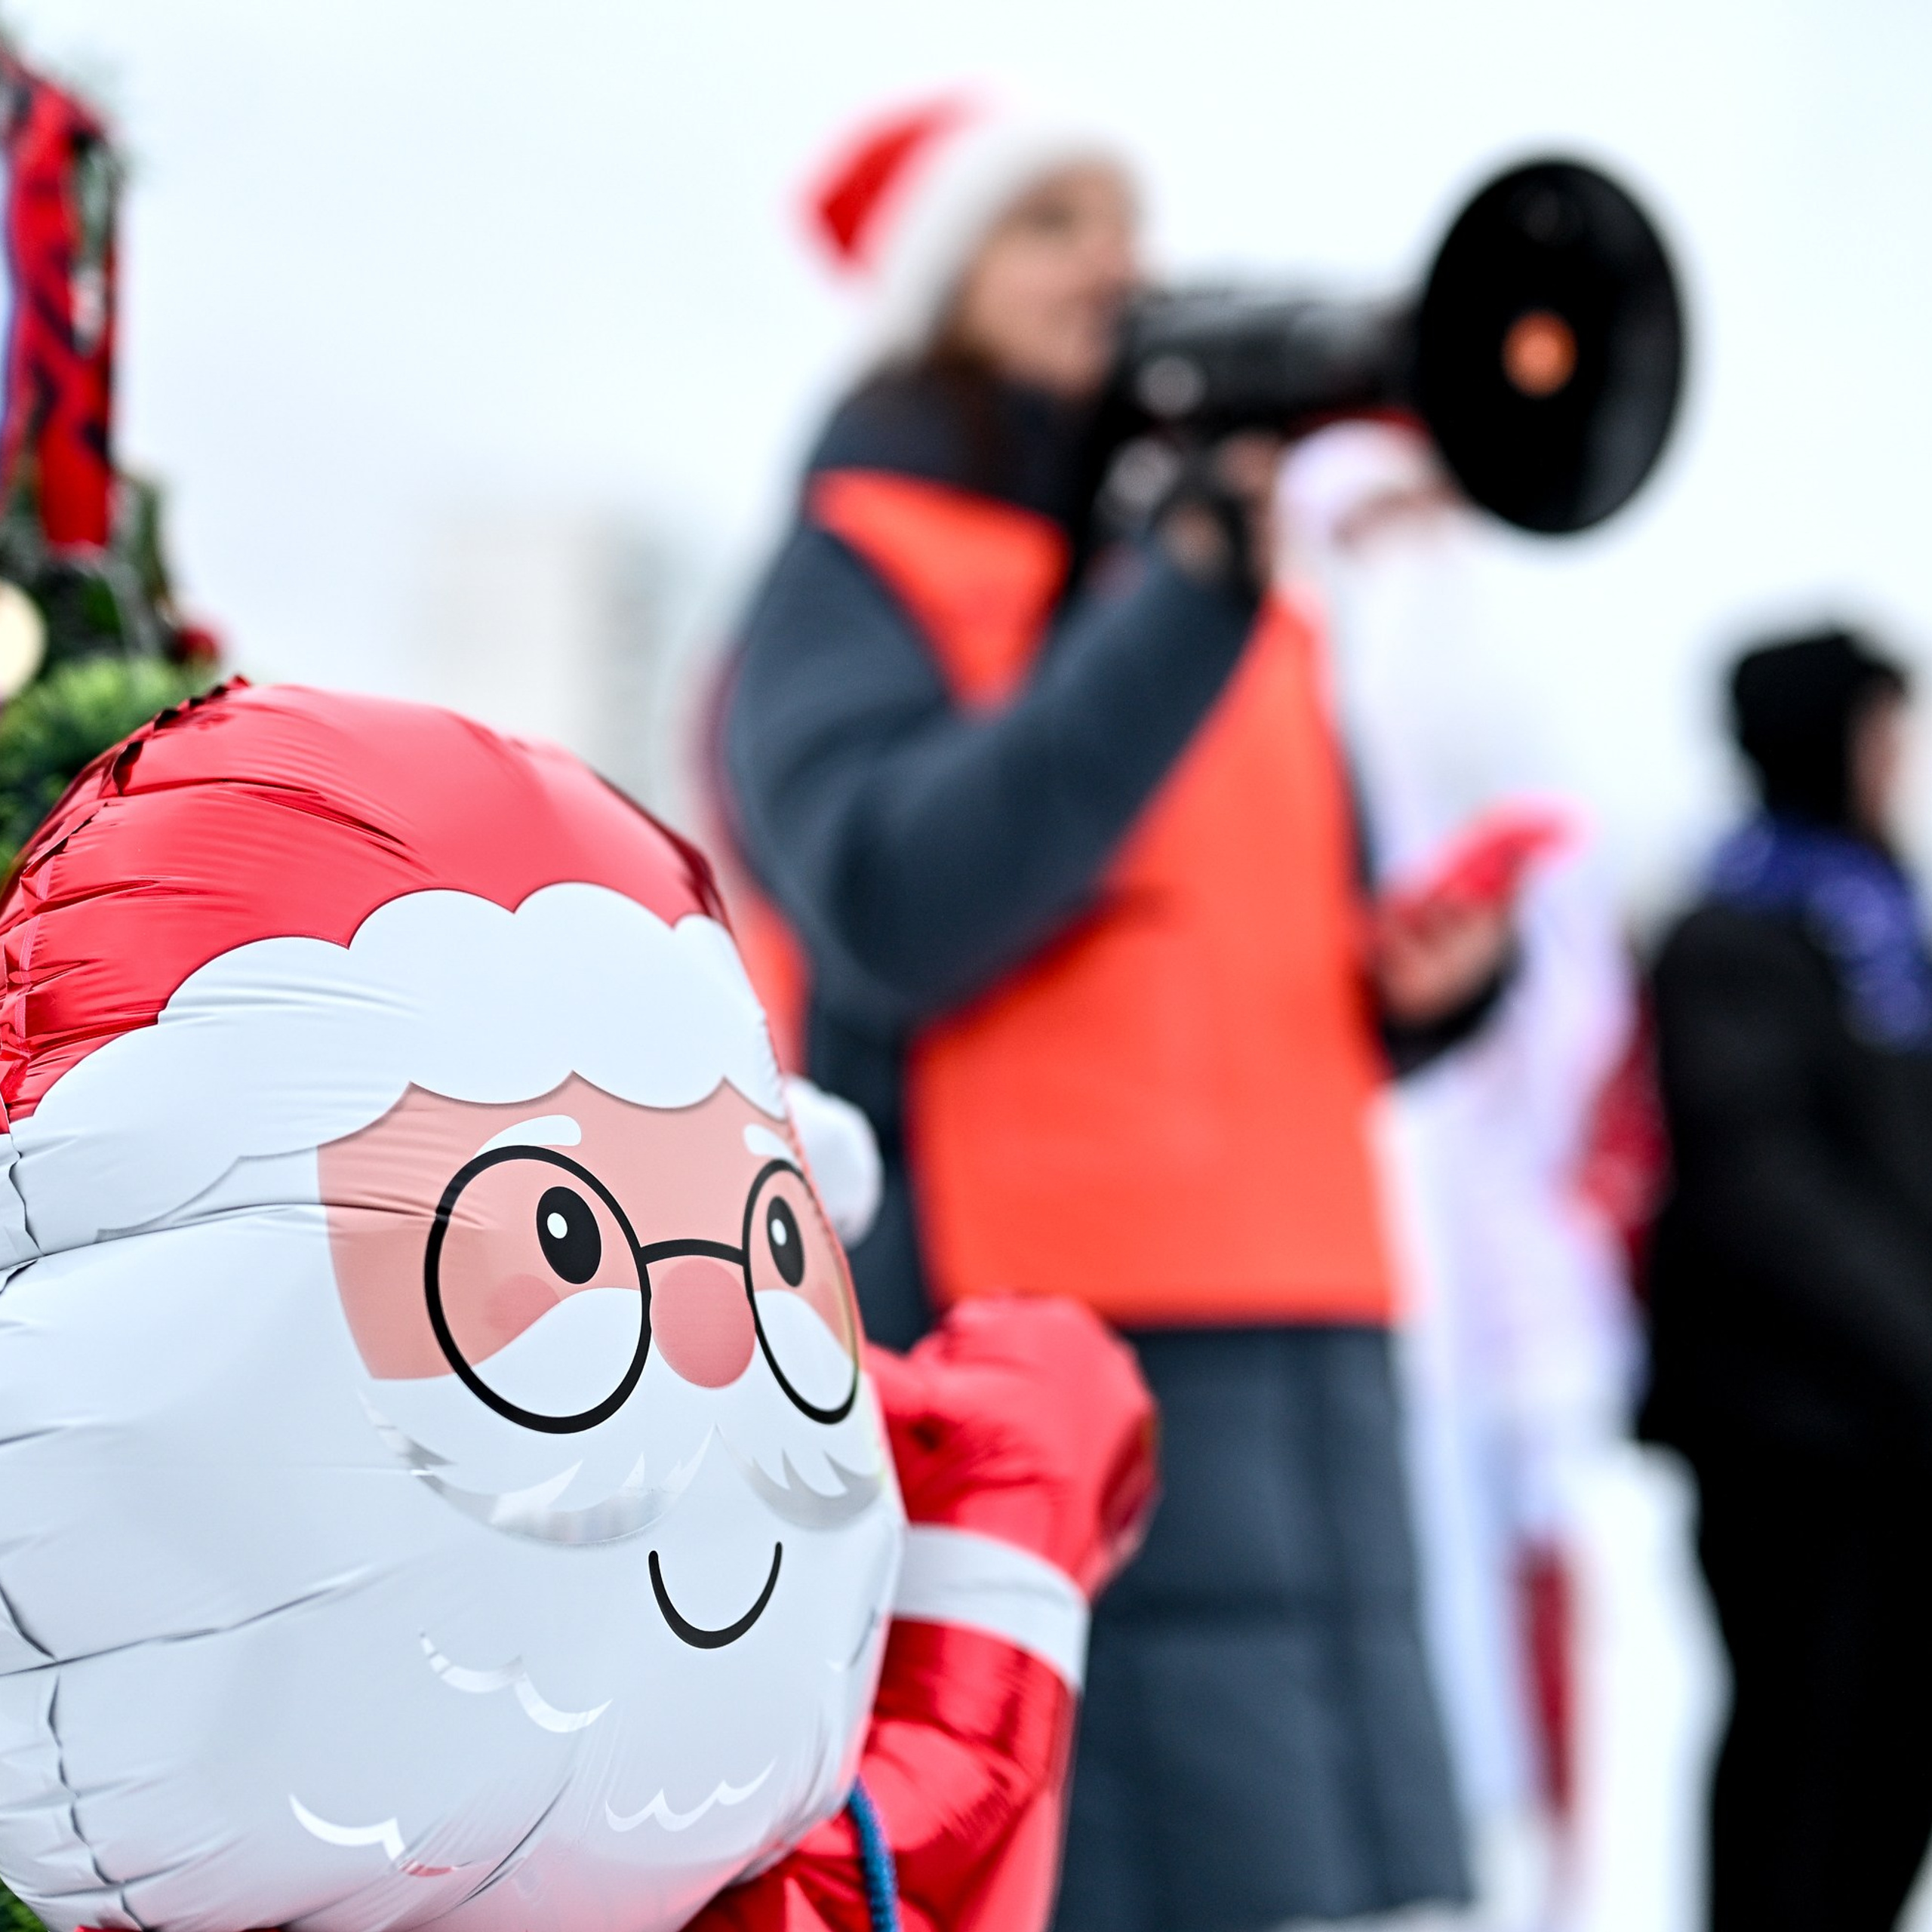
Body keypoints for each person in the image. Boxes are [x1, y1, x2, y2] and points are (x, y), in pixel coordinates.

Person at [717, 97, 1513, 1930]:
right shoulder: (862, 567)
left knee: (1349, 1867)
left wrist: (1425, 991)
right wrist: (1183, 607)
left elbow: (1256, 953)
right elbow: (896, 903)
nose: (1112, 260)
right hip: (1065, 1328)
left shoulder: (1220, 592)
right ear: (938, 290)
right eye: (1047, 222)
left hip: (1313, 1305)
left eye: (1124, 218)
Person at [1644, 626, 1932, 1932]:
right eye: (1882, 730)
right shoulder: (1731, 933)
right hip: (1786, 1440)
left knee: (1888, 1775)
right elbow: (1765, 1194)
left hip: (1896, 1438)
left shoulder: (1885, 931)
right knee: (1800, 1772)